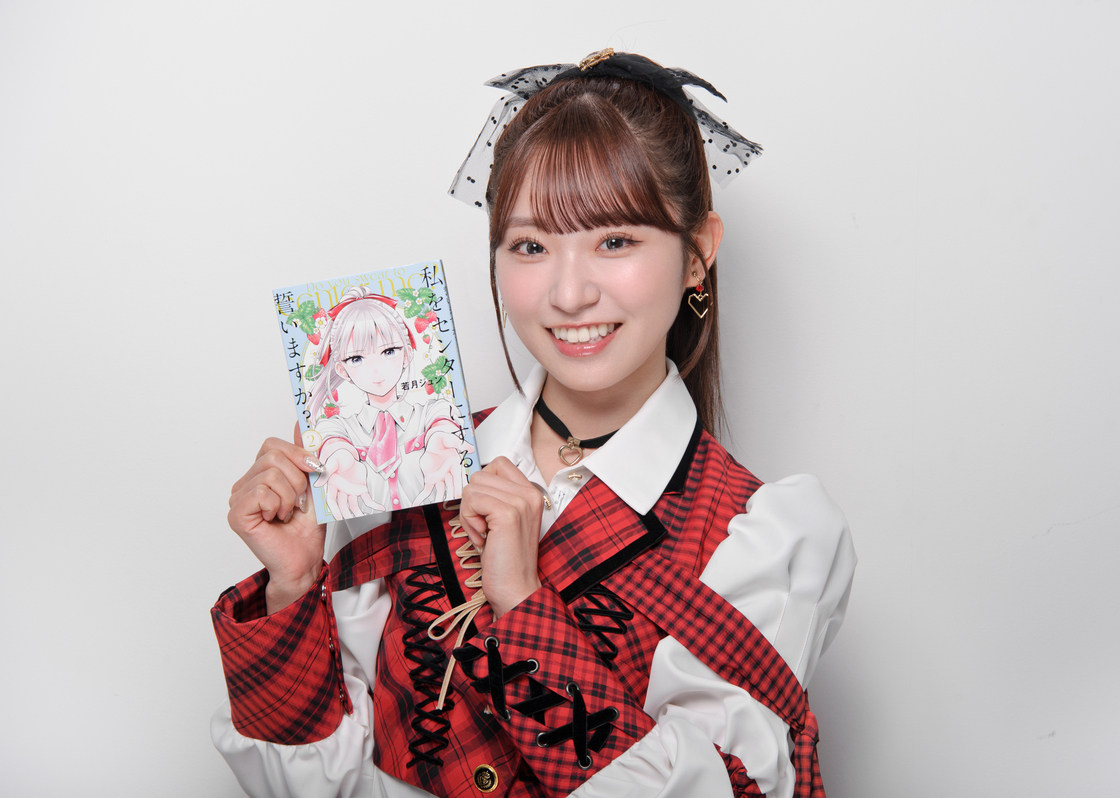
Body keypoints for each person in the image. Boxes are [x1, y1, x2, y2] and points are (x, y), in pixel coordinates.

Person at [213, 51, 857, 798]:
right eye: (530, 246)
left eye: (615, 241)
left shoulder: (765, 535)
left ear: (698, 252)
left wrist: (522, 605)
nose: (569, 293)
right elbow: (318, 785)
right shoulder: (414, 463)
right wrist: (294, 588)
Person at [304, 285, 472, 519]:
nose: (376, 369)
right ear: (342, 369)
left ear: (407, 354)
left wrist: (440, 438)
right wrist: (338, 455)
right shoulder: (341, 427)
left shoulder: (430, 412)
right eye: (356, 358)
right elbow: (331, 437)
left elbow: (442, 417)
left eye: (389, 351)